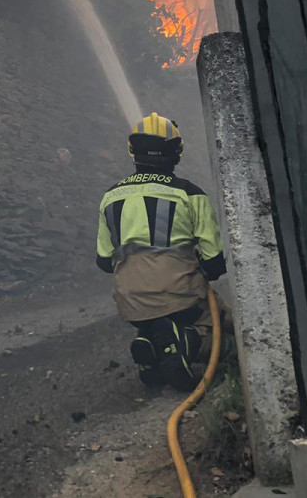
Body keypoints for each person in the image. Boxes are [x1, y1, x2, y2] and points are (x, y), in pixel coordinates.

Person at [96, 112, 226, 390]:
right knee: (223, 327)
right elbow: (214, 262)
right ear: (177, 153)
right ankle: (189, 342)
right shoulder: (190, 194)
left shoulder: (110, 197)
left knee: (156, 318)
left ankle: (150, 345)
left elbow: (104, 261)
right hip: (179, 295)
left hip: (130, 301)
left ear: (132, 151)